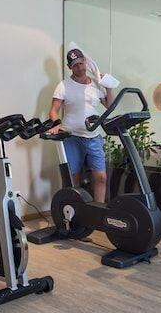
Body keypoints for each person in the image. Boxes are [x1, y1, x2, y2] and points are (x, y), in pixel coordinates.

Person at [49, 47, 115, 203]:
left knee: (101, 177)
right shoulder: (63, 85)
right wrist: (57, 124)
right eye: (75, 65)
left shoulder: (96, 84)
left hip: (93, 136)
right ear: (69, 67)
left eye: (80, 63)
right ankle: (74, 211)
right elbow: (53, 111)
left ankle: (98, 211)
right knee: (73, 179)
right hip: (71, 137)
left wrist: (108, 87)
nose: (79, 68)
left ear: (85, 61)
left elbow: (109, 106)